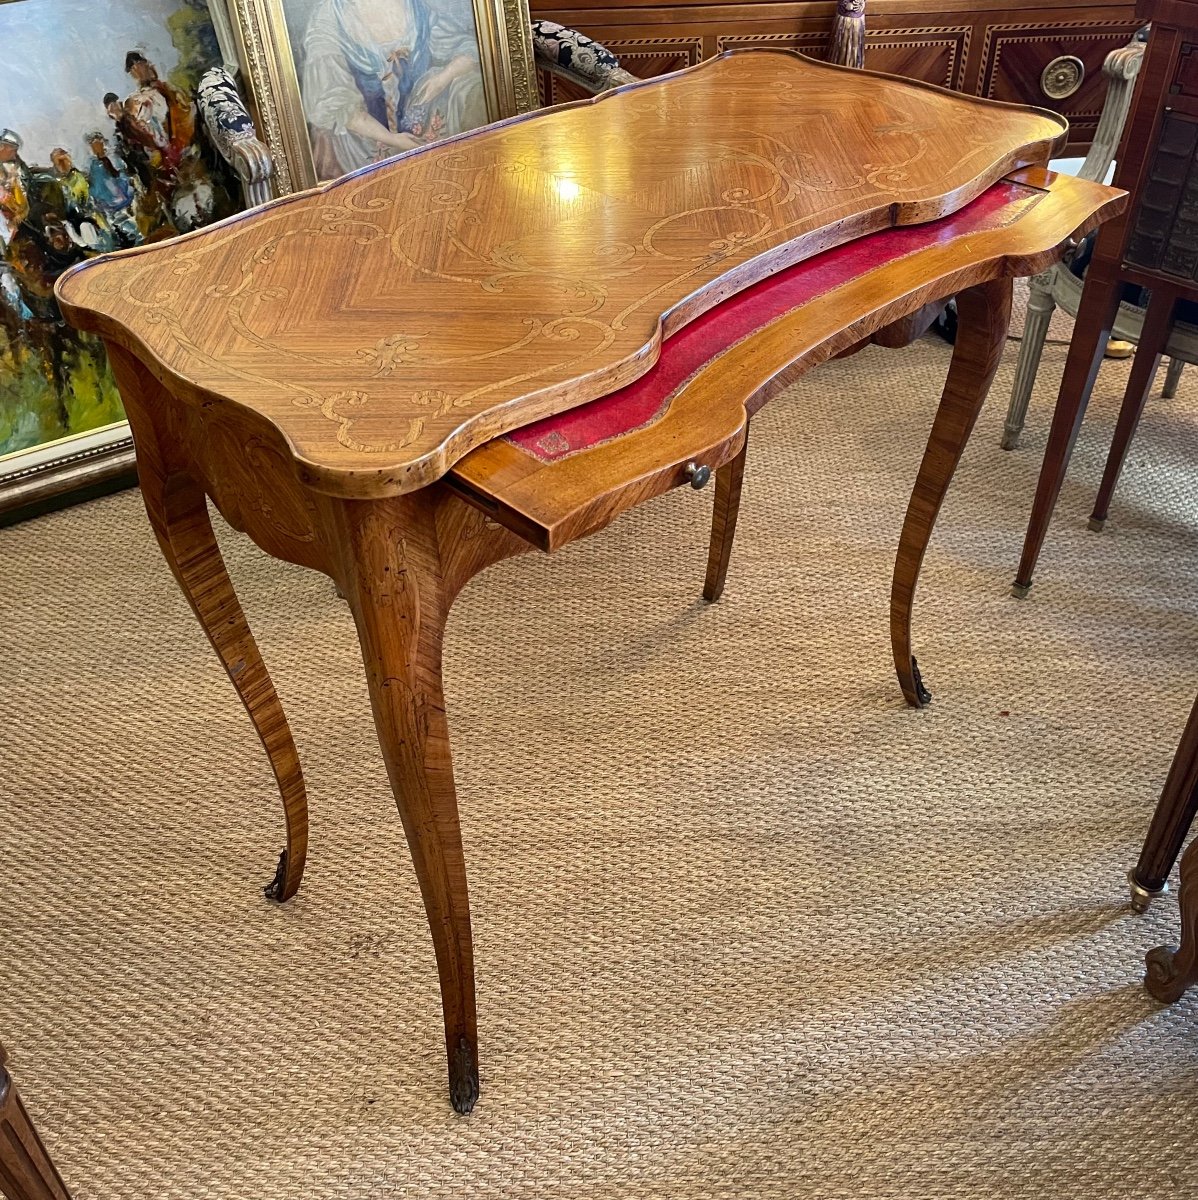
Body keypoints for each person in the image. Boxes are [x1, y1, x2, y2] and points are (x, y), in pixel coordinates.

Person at [84, 132, 141, 246]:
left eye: (99, 145)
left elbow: (122, 174)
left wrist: (128, 183)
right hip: (110, 206)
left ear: (103, 144)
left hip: (124, 199)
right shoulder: (94, 165)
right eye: (94, 146)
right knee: (122, 228)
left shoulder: (113, 158)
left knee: (134, 224)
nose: (97, 149)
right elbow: (95, 186)